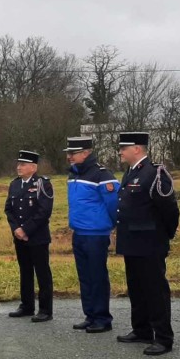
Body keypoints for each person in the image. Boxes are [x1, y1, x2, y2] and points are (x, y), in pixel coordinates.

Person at [115, 132, 180, 356]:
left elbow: (169, 209)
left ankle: (163, 338)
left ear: (137, 149)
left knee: (155, 291)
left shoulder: (154, 173)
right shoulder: (131, 173)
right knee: (137, 288)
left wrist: (165, 235)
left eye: (124, 148)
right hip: (131, 242)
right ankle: (141, 330)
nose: (120, 152)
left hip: (150, 242)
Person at [64, 137, 119, 334]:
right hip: (78, 232)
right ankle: (90, 315)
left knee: (97, 276)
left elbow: (114, 204)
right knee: (85, 277)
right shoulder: (73, 174)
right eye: (68, 153)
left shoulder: (102, 174)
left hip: (96, 234)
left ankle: (103, 318)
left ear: (86, 153)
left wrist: (111, 226)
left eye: (73, 153)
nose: (69, 157)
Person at [4, 150, 55, 322]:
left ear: (33, 167)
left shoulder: (42, 184)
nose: (19, 167)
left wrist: (26, 230)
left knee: (42, 273)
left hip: (37, 237)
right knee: (25, 271)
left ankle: (45, 309)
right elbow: (9, 209)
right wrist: (16, 229)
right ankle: (27, 305)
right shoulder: (14, 184)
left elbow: (44, 211)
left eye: (23, 164)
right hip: (19, 237)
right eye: (18, 164)